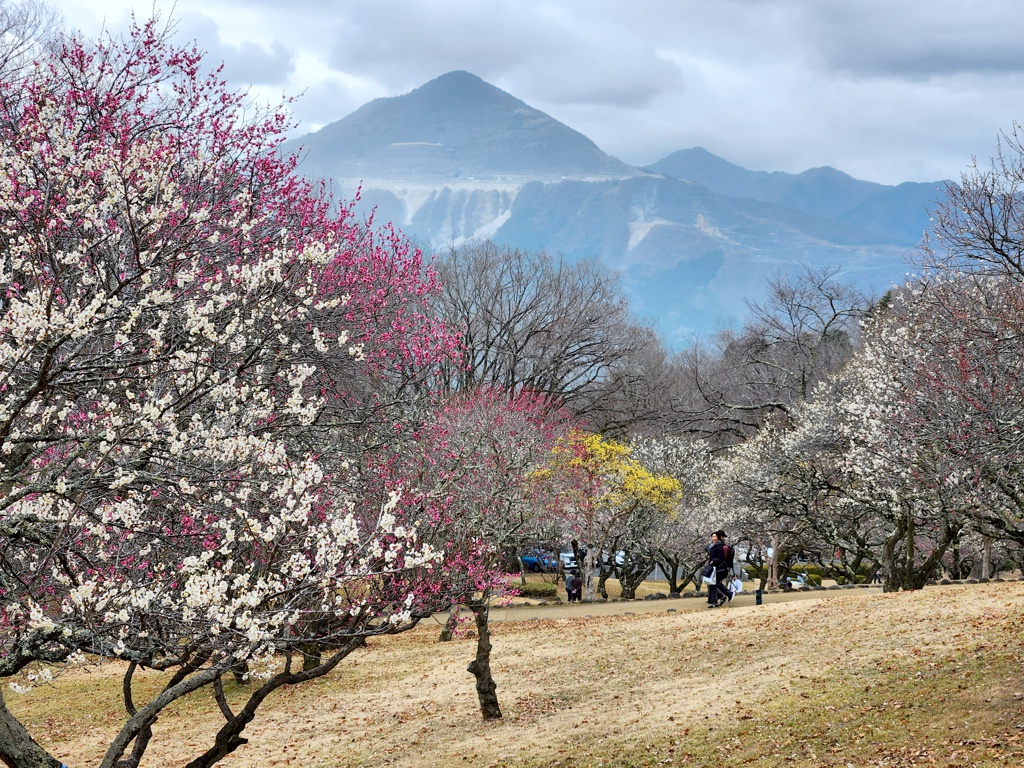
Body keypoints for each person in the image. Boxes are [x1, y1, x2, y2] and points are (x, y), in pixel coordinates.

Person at [704, 530, 730, 608]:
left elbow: (721, 558)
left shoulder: (720, 546)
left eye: (715, 536)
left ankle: (718, 599)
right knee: (711, 584)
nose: (713, 538)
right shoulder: (713, 546)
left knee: (713, 584)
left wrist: (713, 561)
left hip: (718, 568)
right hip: (713, 566)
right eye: (712, 536)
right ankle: (720, 597)